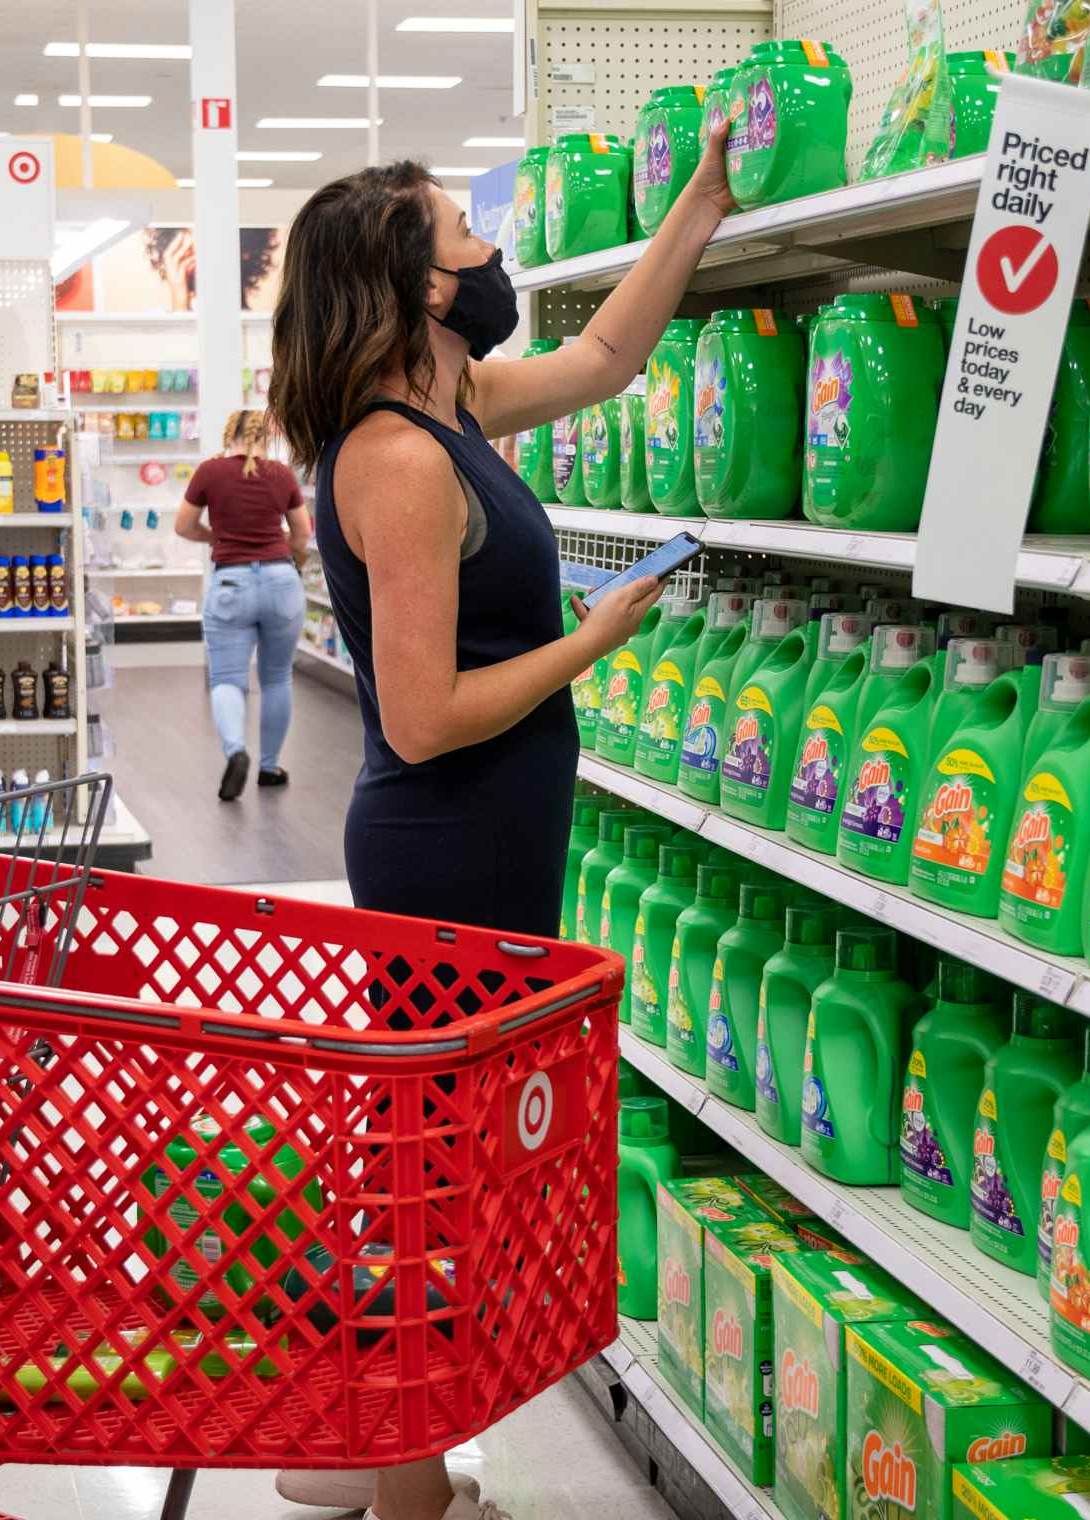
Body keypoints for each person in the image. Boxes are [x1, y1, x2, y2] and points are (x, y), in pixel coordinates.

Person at [263, 120, 734, 1520]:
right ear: (415, 284)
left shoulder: (451, 409)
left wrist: (699, 208)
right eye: (464, 236)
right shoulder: (397, 458)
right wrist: (596, 639)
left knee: (429, 1167)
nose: (492, 252)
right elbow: (420, 718)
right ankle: (410, 1497)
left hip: (488, 835)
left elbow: (603, 363)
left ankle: (353, 1458)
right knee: (435, 1184)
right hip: (446, 840)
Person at [175, 409, 310, 800]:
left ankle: (236, 751)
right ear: (267, 436)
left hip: (230, 582)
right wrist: (277, 551)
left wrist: (217, 538)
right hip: (282, 582)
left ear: (227, 432)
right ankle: (269, 768)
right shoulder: (281, 474)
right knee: (277, 678)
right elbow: (302, 534)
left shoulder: (209, 471)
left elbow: (183, 525)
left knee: (227, 680)